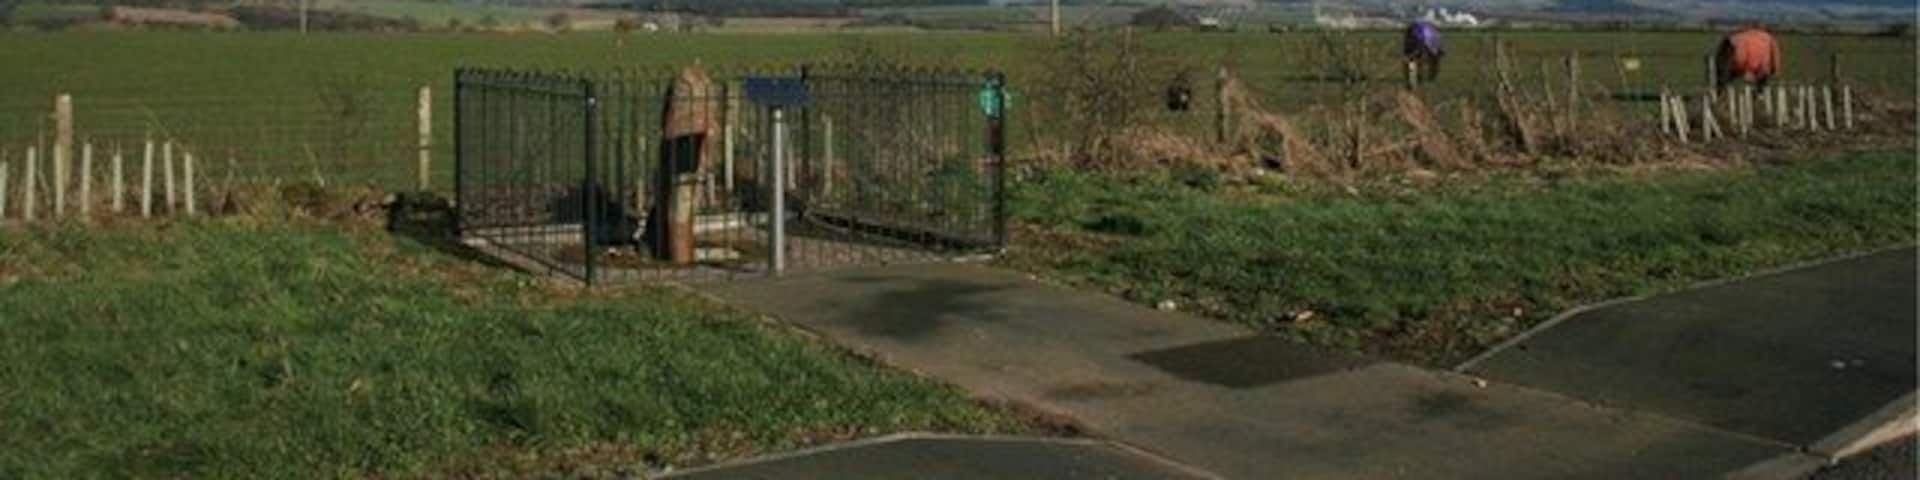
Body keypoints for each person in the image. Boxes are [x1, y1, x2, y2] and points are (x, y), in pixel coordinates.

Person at [1403, 19, 1445, 85]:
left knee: (1413, 60)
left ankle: (1414, 77)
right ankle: (1422, 77)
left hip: (1421, 42)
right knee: (1419, 60)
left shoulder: (1415, 31)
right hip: (1425, 43)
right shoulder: (1431, 32)